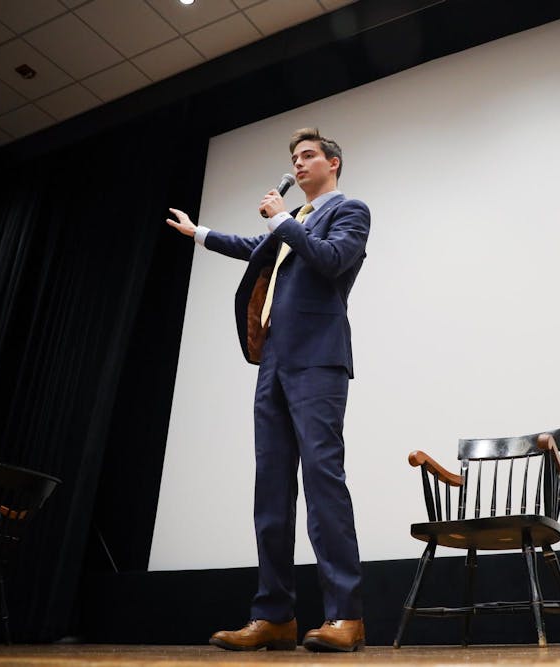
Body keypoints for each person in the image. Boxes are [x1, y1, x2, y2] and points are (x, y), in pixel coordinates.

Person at [166, 128, 369, 652]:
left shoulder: (350, 211)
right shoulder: (293, 222)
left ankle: (345, 615)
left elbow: (331, 260)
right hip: (274, 361)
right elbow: (255, 249)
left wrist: (281, 219)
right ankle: (274, 616)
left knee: (324, 480)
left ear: (334, 163)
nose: (298, 164)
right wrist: (201, 233)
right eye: (294, 158)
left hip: (318, 360)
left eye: (308, 157)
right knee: (271, 489)